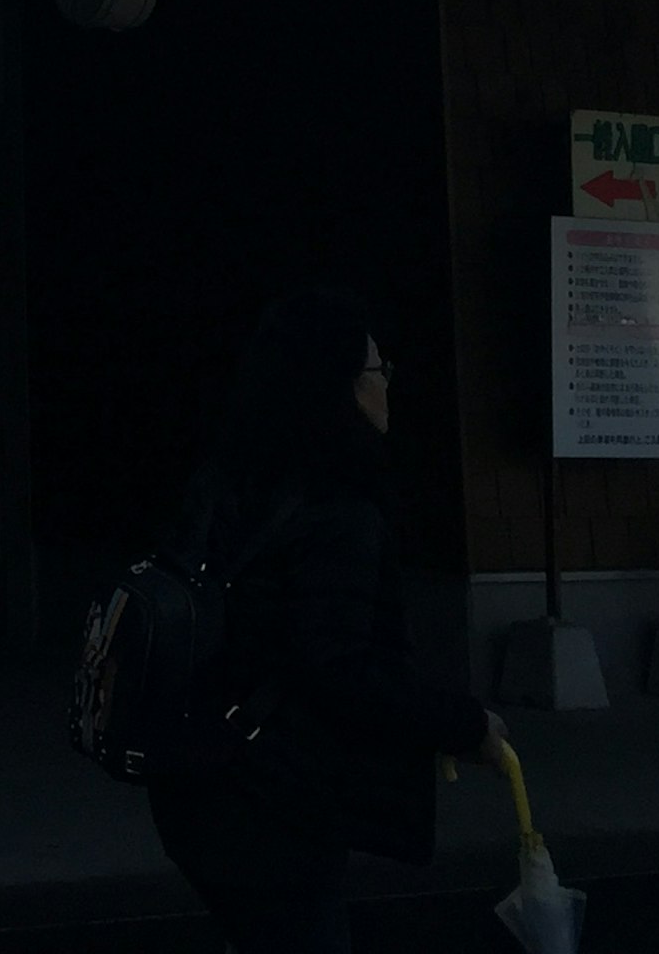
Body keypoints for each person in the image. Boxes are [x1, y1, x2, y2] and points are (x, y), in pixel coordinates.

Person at [145, 289, 499, 954]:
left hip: (194, 779)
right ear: (337, 386)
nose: (388, 385)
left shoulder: (226, 479)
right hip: (270, 797)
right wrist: (462, 724)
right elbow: (337, 666)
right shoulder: (338, 509)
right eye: (376, 370)